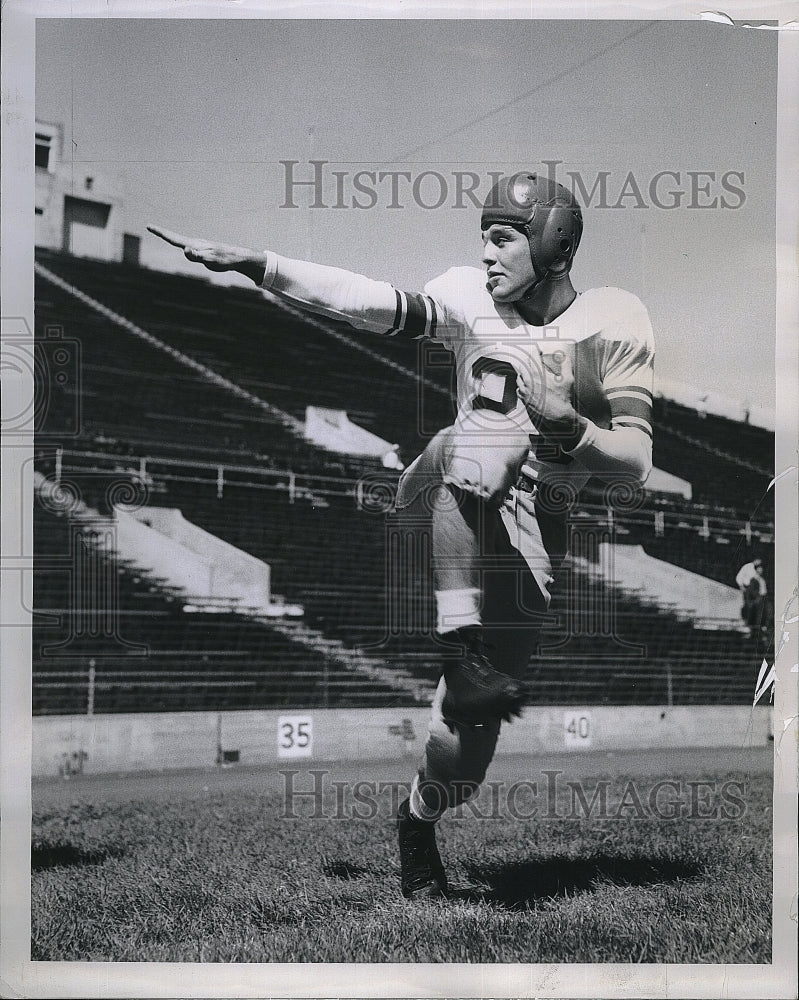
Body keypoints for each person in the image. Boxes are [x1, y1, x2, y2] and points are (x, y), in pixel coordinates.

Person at [149, 169, 655, 901]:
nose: (486, 253)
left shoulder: (613, 321)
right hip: (441, 487)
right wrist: (258, 264)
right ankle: (459, 636)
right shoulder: (466, 297)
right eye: (482, 236)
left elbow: (635, 464)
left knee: (462, 753)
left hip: (530, 526)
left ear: (553, 247)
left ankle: (417, 816)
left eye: (504, 238)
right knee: (478, 434)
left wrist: (569, 427)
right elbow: (363, 299)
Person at [735, 557, 768, 639]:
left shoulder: (762, 579)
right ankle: (751, 631)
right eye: (759, 568)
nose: (761, 570)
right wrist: (742, 586)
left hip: (761, 598)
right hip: (754, 597)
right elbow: (739, 578)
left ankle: (760, 631)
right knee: (752, 614)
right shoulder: (752, 576)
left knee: (762, 616)